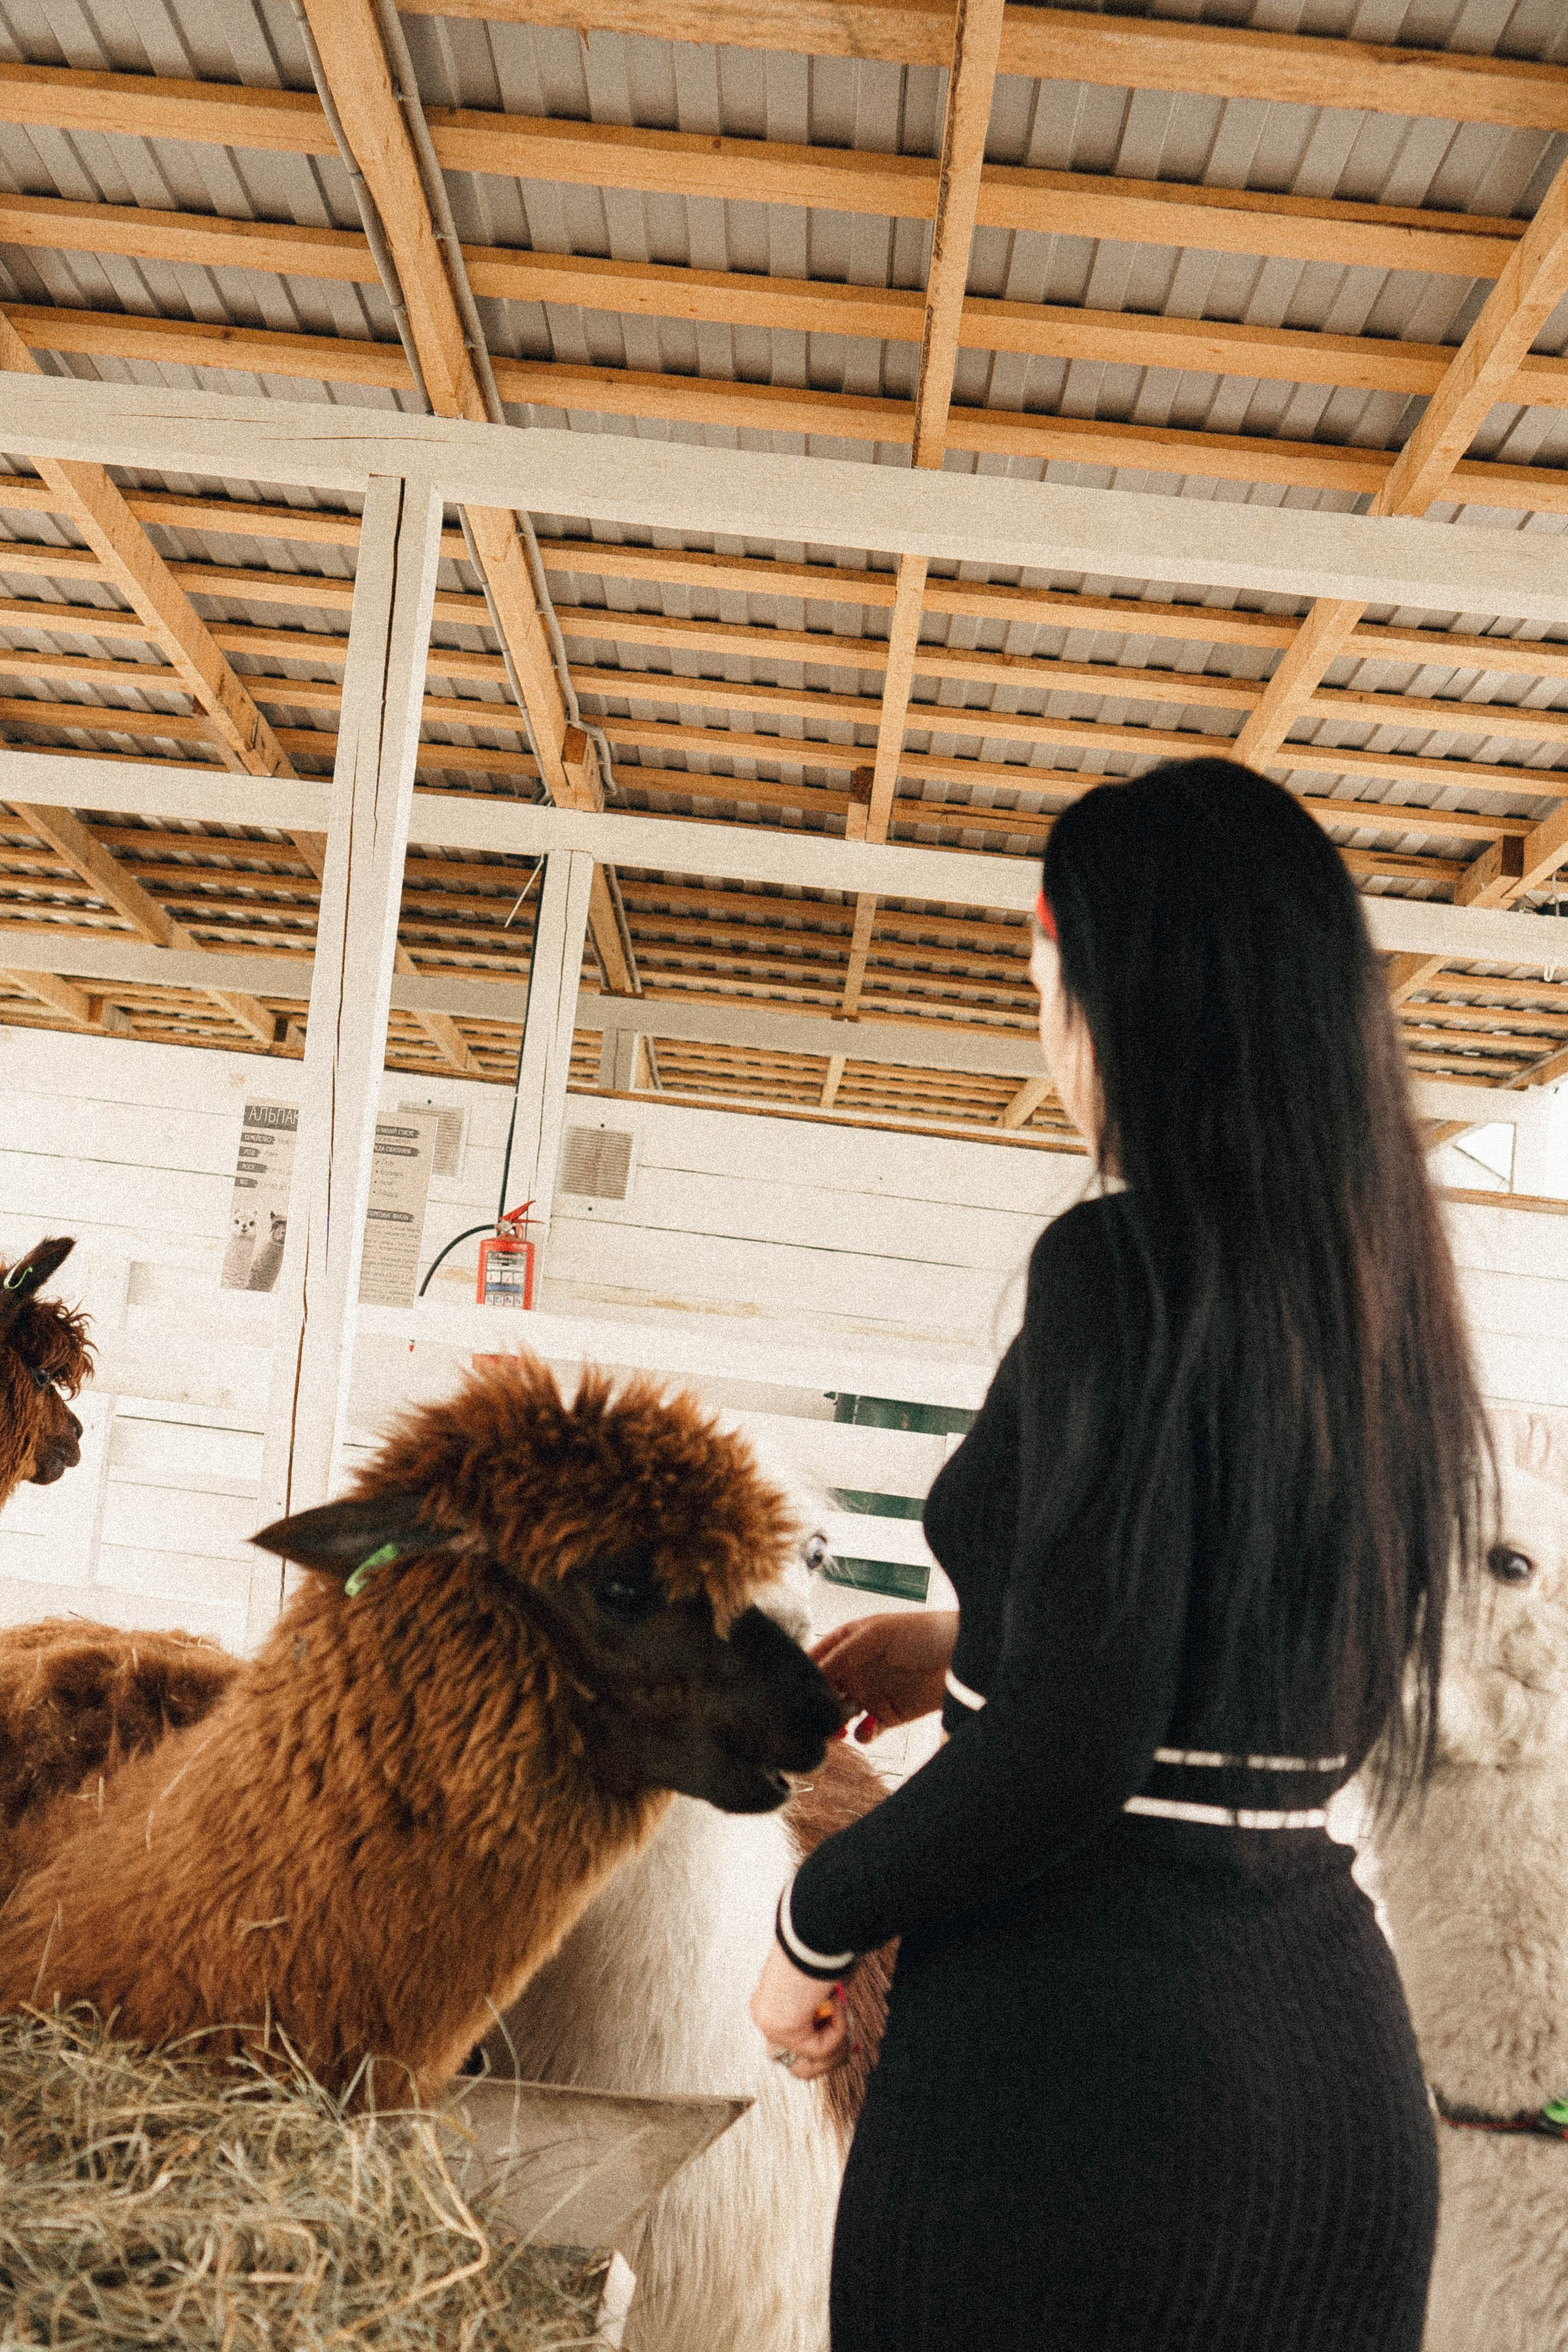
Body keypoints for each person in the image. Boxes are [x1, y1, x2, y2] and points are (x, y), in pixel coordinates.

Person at [749, 756, 1491, 2352]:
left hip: (1086, 2089)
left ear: (1122, 1000)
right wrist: (968, 1647)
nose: (1051, 1035)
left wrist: (818, 1921)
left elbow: (1073, 1755)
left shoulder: (1119, 1266)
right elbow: (1241, 1664)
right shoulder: (1380, 1296)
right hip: (1330, 2088)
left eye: (1048, 986)